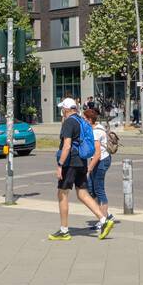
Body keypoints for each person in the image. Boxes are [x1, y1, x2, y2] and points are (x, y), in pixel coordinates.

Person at [50, 98, 113, 240]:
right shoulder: (82, 121)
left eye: (62, 109)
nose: (62, 112)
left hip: (69, 162)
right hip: (82, 161)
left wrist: (60, 165)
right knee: (82, 193)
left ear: (66, 109)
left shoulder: (69, 122)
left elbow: (66, 146)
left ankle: (64, 230)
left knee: (62, 194)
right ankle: (104, 220)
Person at [83, 107, 114, 233]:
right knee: (91, 189)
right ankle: (105, 214)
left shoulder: (96, 132)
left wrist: (89, 169)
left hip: (101, 161)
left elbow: (97, 155)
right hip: (97, 161)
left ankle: (104, 219)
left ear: (90, 120)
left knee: (99, 189)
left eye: (85, 118)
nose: (83, 120)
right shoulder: (94, 128)